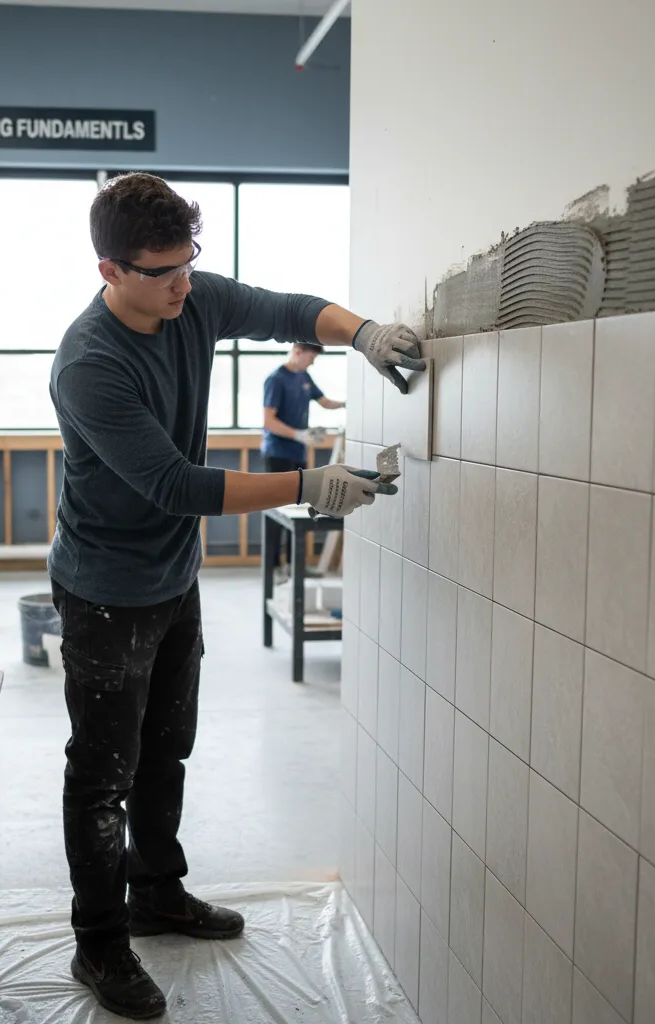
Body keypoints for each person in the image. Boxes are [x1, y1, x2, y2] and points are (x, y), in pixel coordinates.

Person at [49, 172, 423, 1020]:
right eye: (163, 272)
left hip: (172, 578)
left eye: (190, 262)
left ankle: (157, 894)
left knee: (165, 747)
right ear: (112, 271)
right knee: (103, 775)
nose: (184, 284)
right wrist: (309, 484)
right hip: (105, 591)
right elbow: (175, 485)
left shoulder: (191, 296)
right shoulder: (90, 364)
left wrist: (363, 333)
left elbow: (289, 310)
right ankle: (99, 943)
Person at [260, 341, 346, 573]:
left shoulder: (304, 377)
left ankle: (292, 565)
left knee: (297, 507)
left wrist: (348, 404)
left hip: (298, 453)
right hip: (278, 453)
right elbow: (269, 421)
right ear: (297, 352)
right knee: (276, 509)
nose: (312, 362)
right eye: (311, 358)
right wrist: (298, 434)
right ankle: (273, 567)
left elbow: (324, 401)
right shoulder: (276, 380)